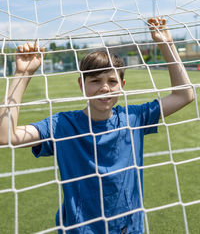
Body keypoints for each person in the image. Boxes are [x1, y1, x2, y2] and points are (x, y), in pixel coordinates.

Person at [0, 18, 194, 234]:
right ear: (81, 85)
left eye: (112, 81)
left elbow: (184, 95)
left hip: (128, 229)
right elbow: (6, 136)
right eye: (95, 81)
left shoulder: (134, 117)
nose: (105, 88)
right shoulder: (62, 125)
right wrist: (22, 74)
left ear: (122, 86)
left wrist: (166, 43)